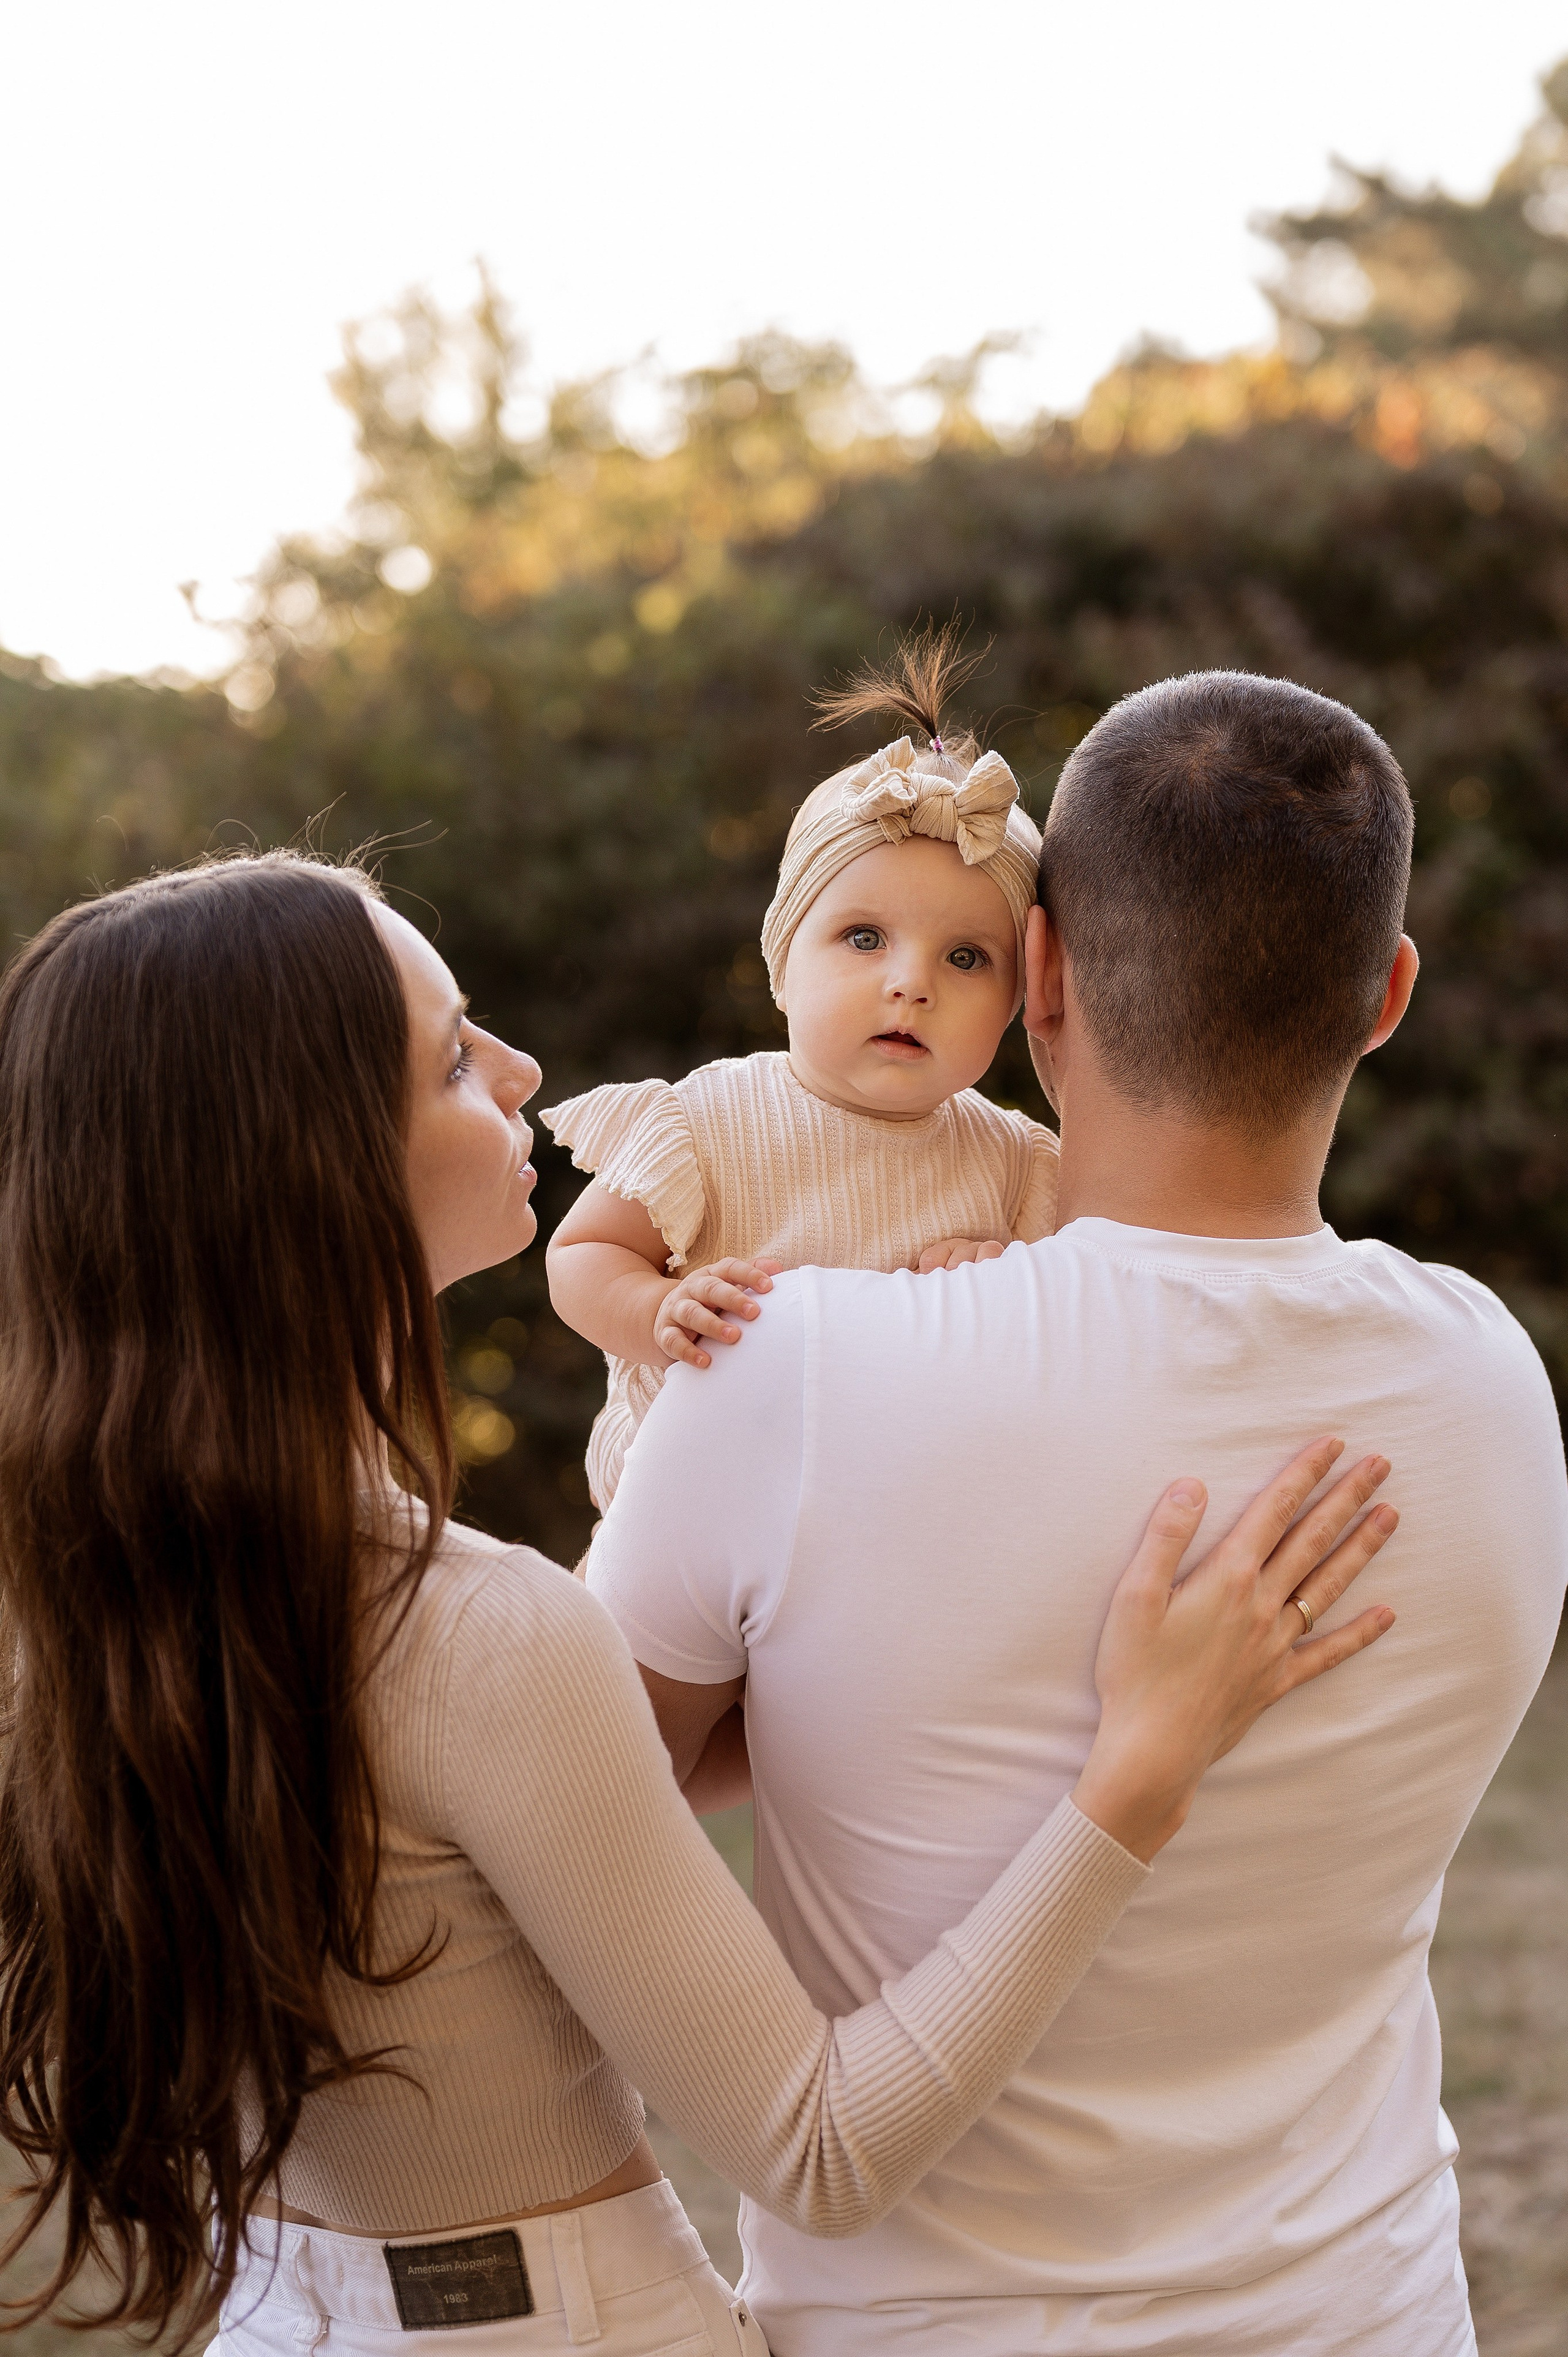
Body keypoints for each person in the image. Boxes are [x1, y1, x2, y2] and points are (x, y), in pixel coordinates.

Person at [0, 853, 1396, 2357]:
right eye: (456, 1056)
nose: (528, 1072)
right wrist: (1135, 1772)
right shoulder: (470, 1634)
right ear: (311, 1164)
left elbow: (495, 1831)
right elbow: (820, 2147)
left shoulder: (81, 1589)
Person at [587, 671, 1568, 2357]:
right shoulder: (1493, 1383)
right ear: (1389, 993)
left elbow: (557, 1833)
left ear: (1036, 973)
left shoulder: (785, 1369)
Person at [543, 628, 1058, 1512]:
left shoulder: (1017, 1164)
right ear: (783, 962)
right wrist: (653, 1312)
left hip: (892, 1533)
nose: (911, 984)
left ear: (1020, 999)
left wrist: (1009, 1279)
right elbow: (584, 1253)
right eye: (864, 938)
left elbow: (1071, 1333)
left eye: (967, 959)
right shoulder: (708, 1120)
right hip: (689, 1521)